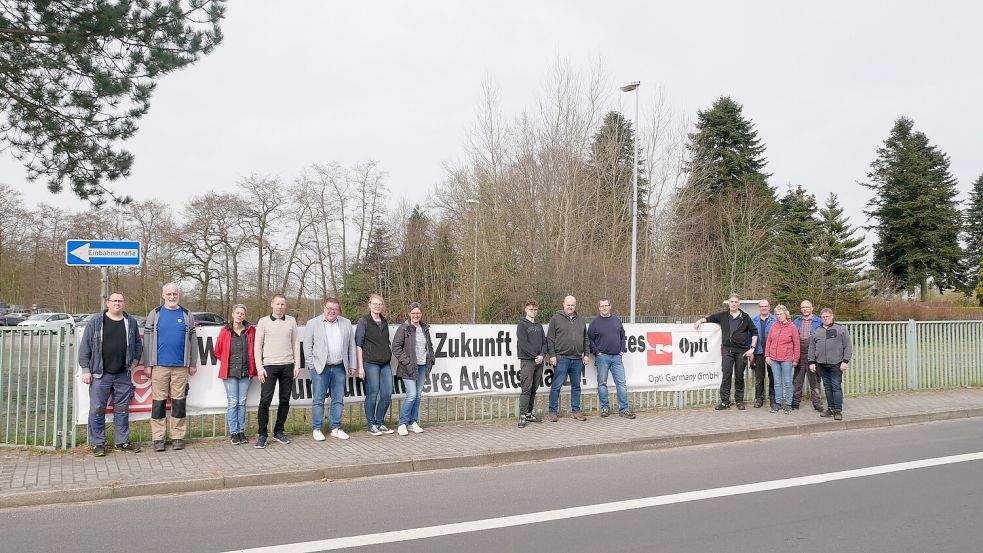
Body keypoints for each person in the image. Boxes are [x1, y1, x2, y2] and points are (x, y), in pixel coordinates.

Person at [78, 293, 143, 456]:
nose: (117, 304)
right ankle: (97, 444)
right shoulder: (96, 321)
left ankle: (122, 441)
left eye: (120, 301)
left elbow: (137, 343)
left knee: (121, 410)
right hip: (100, 373)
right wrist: (85, 369)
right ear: (108, 303)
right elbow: (85, 346)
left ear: (124, 303)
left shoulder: (131, 322)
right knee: (97, 409)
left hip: (123, 374)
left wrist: (134, 361)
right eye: (114, 301)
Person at [143, 283, 198, 452]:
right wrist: (148, 364)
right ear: (163, 295)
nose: (172, 296)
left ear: (178, 295)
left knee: (179, 402)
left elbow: (193, 341)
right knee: (158, 402)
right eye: (169, 294)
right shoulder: (155, 313)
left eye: (175, 293)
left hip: (181, 366)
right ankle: (158, 438)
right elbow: (147, 340)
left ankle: (177, 436)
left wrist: (193, 363)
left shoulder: (186, 314)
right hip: (159, 366)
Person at [303, 298, 357, 441]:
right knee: (319, 400)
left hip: (339, 367)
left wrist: (352, 365)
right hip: (321, 368)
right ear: (324, 308)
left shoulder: (346, 323)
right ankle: (317, 428)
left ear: (338, 310)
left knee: (338, 399)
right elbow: (307, 347)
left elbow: (352, 345)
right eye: (329, 308)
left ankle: (335, 428)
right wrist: (312, 364)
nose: (332, 311)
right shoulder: (313, 323)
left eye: (335, 309)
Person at [695, 293, 758, 410]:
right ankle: (725, 402)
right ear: (728, 303)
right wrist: (699, 321)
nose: (734, 304)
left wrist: (752, 348)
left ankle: (739, 401)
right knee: (726, 376)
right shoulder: (723, 316)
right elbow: (709, 318)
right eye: (732, 302)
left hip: (741, 352)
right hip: (727, 350)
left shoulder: (745, 317)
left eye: (736, 302)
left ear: (739, 304)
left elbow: (754, 332)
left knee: (739, 376)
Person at [253, 294, 301, 449]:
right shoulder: (263, 321)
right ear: (272, 304)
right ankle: (262, 434)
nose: (280, 307)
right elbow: (257, 346)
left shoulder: (291, 321)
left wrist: (297, 365)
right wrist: (259, 368)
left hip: (288, 365)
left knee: (285, 400)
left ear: (286, 306)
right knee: (265, 400)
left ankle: (279, 431)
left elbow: (295, 343)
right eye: (278, 304)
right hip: (269, 366)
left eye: (283, 304)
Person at [213, 304, 256, 445]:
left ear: (245, 315)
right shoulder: (225, 331)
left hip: (245, 372)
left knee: (242, 402)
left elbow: (256, 348)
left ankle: (241, 431)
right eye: (237, 313)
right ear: (232, 314)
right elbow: (217, 351)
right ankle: (233, 432)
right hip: (230, 372)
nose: (240, 315)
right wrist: (227, 361)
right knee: (233, 402)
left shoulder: (250, 331)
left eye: (242, 313)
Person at [391, 302, 434, 436]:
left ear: (421, 314)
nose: (416, 315)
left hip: (422, 366)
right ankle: (402, 423)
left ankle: (412, 422)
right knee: (411, 395)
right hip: (408, 368)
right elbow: (396, 347)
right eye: (413, 313)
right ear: (409, 314)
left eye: (418, 313)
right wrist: (407, 362)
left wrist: (431, 358)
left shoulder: (424, 328)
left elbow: (429, 345)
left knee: (418, 396)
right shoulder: (404, 328)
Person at [588, 298, 635, 419]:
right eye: (602, 306)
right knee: (602, 383)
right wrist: (597, 352)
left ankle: (624, 409)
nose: (604, 308)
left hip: (617, 358)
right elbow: (589, 339)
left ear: (610, 306)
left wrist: (622, 349)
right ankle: (605, 407)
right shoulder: (594, 323)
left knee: (621, 383)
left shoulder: (616, 320)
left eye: (606, 305)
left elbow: (622, 336)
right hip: (602, 358)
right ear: (599, 308)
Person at [356, 294, 395, 436]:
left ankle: (380, 422)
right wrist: (360, 366)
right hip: (370, 363)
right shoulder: (364, 321)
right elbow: (358, 345)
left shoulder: (384, 321)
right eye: (375, 304)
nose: (377, 306)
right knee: (372, 393)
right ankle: (371, 424)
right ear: (369, 305)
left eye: (380, 304)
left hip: (385, 363)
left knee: (387, 393)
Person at [547, 295, 590, 422]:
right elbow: (550, 338)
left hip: (577, 359)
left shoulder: (581, 320)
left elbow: (586, 338)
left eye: (572, 305)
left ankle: (576, 411)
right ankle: (552, 412)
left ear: (575, 305)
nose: (570, 307)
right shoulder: (555, 319)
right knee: (556, 386)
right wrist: (552, 355)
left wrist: (586, 354)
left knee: (576, 386)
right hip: (561, 358)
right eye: (568, 305)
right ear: (563, 304)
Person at [808, 308, 852, 421]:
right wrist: (811, 362)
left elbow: (848, 346)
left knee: (836, 387)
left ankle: (838, 410)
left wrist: (845, 361)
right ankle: (830, 408)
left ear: (832, 316)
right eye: (823, 317)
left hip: (836, 364)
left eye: (827, 316)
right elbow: (812, 348)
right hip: (822, 364)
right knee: (827, 388)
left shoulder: (840, 329)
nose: (825, 318)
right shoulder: (817, 331)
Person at [516, 300, 547, 428]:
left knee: (534, 388)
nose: (533, 311)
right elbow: (523, 344)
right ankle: (522, 416)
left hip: (539, 361)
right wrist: (534, 356)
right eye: (531, 309)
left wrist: (542, 355)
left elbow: (545, 343)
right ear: (526, 310)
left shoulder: (539, 326)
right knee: (526, 389)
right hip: (528, 361)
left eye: (535, 309)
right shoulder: (522, 325)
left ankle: (529, 413)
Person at [765, 304, 799, 414]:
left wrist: (795, 359)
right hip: (774, 359)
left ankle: (789, 404)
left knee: (788, 382)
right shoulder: (774, 326)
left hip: (786, 359)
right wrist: (767, 355)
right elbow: (769, 341)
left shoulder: (792, 327)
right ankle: (778, 403)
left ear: (786, 314)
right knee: (777, 382)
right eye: (777, 314)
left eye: (781, 314)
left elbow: (796, 344)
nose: (779, 316)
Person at [793, 300, 825, 411]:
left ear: (812, 308)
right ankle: (795, 402)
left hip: (813, 356)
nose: (805, 309)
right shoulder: (796, 322)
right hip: (799, 355)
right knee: (797, 380)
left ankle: (817, 404)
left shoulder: (819, 321)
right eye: (803, 307)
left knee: (815, 381)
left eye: (807, 307)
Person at [751, 299, 776, 408]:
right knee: (759, 378)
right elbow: (750, 337)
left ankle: (773, 399)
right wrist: (751, 351)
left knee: (773, 377)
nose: (764, 308)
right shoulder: (754, 320)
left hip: (772, 353)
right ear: (759, 307)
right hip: (759, 353)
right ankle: (759, 399)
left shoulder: (775, 320)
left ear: (769, 307)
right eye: (761, 306)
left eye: (765, 306)